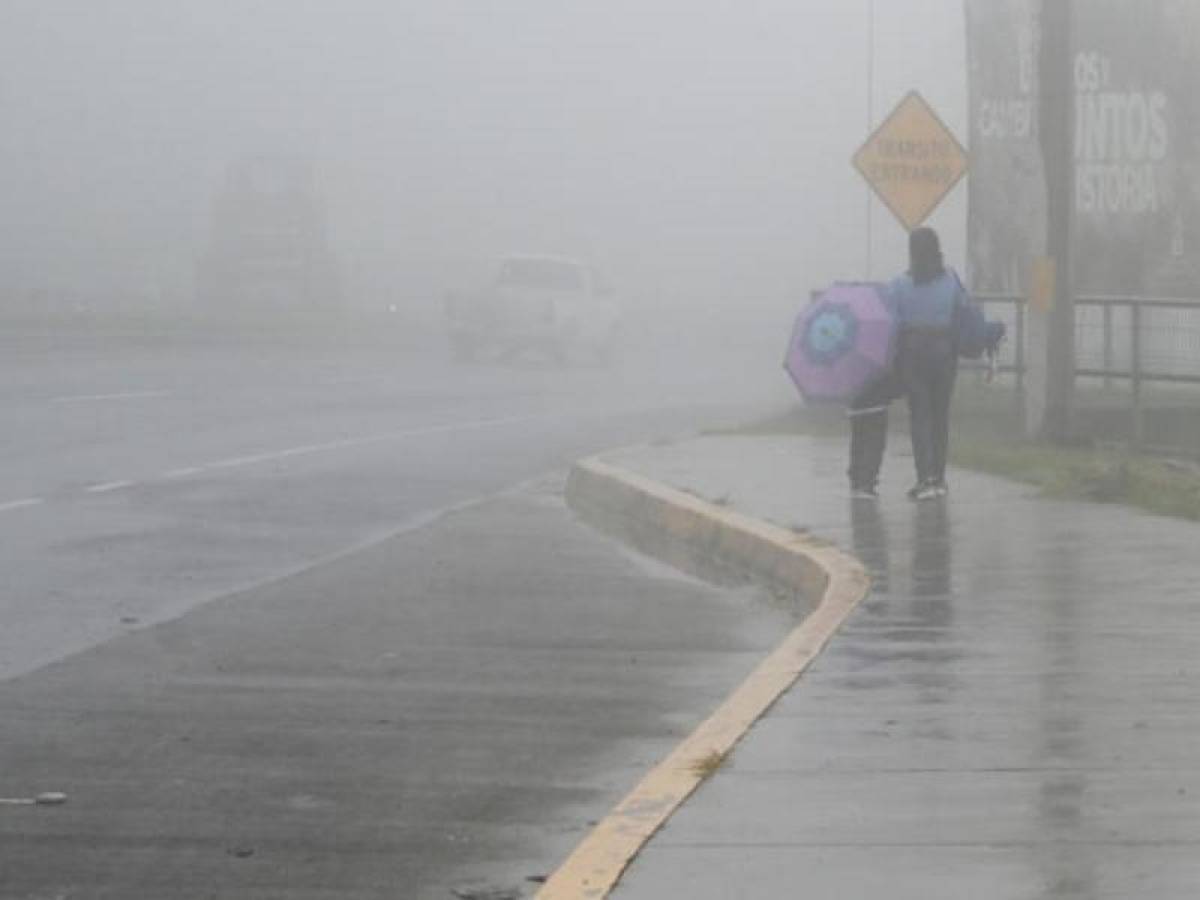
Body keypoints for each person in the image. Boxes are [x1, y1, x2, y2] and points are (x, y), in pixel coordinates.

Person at [890, 227, 965, 501]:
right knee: (940, 416)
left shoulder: (900, 285)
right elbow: (961, 310)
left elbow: (892, 320)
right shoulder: (950, 280)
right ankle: (940, 478)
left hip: (913, 354)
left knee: (920, 415)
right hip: (944, 352)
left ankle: (925, 479)